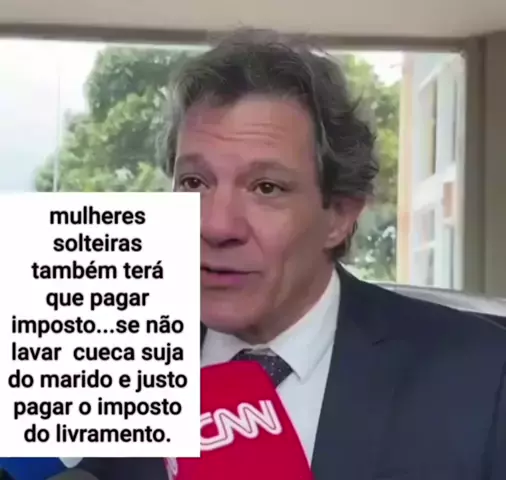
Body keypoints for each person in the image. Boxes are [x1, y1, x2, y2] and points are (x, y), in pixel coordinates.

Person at [83, 28, 506, 480]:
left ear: (339, 215)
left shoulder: (483, 374)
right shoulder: (102, 360)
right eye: (194, 182)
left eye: (266, 187)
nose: (215, 225)